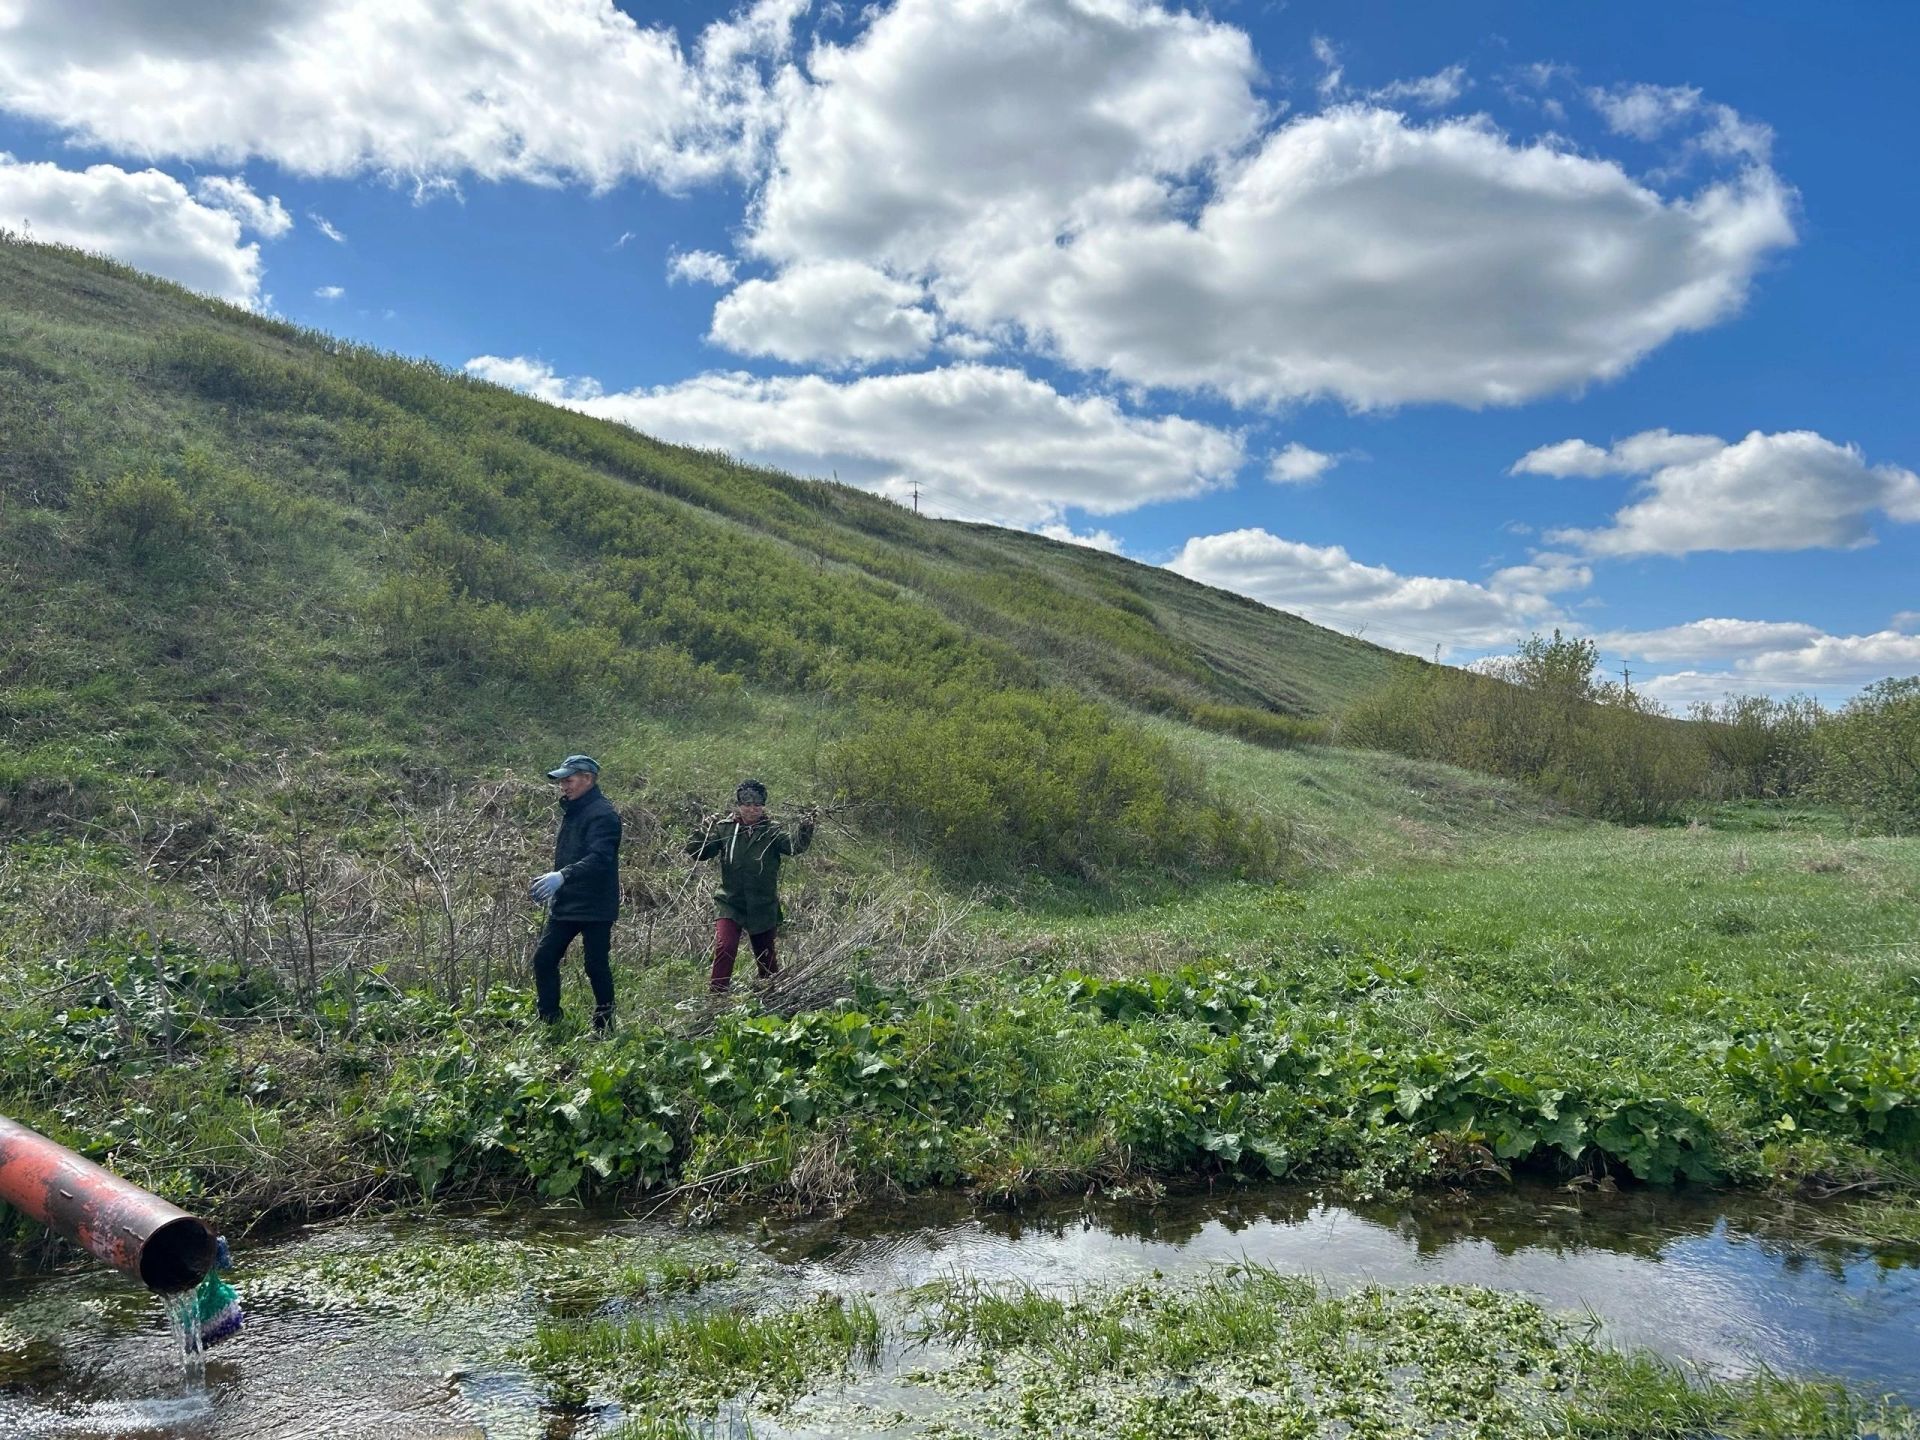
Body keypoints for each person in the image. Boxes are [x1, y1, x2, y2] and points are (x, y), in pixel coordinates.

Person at [686, 779, 815, 992]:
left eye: (757, 805)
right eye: (747, 804)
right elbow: (698, 853)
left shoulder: (772, 831)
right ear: (739, 805)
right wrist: (702, 831)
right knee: (725, 947)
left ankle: (772, 996)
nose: (751, 810)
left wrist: (806, 827)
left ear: (763, 806)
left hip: (763, 905)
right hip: (730, 902)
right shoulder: (725, 829)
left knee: (766, 958)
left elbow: (794, 846)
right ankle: (717, 998)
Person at [528, 754, 622, 1029]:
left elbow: (600, 858)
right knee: (544, 958)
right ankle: (550, 1021)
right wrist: (556, 883)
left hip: (595, 904)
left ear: (588, 779)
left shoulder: (604, 815)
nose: (563, 787)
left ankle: (604, 1026)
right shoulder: (574, 810)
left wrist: (562, 876)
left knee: (595, 965)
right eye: (561, 782)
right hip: (567, 901)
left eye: (568, 781)